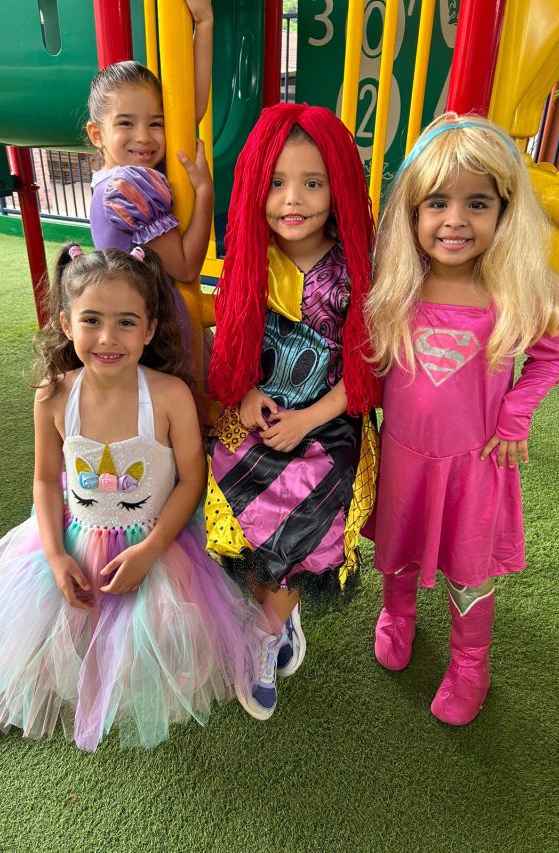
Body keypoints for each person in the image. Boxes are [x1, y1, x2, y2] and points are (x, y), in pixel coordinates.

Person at [0, 245, 266, 751]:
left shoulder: (170, 395)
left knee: (165, 629)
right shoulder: (53, 394)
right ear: (65, 323)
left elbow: (192, 481)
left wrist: (149, 551)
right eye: (91, 320)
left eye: (126, 322)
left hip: (157, 545)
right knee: (35, 627)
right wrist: (55, 556)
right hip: (73, 539)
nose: (107, 337)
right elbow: (45, 481)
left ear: (149, 329)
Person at [364, 113, 559, 726]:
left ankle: (470, 663)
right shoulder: (396, 287)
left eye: (477, 203)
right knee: (398, 545)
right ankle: (398, 614)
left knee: (470, 566)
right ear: (412, 213)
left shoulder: (513, 293)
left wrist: (515, 414)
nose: (455, 219)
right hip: (404, 457)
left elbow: (551, 356)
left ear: (505, 212)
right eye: (437, 202)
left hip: (475, 466)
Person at [206, 103, 380, 720]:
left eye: (312, 182)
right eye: (277, 182)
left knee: (305, 510)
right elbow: (236, 345)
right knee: (236, 494)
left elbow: (365, 369)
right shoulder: (252, 256)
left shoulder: (354, 268)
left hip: (328, 421)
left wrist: (309, 420)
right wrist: (246, 396)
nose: (292, 199)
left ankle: (264, 633)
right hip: (261, 411)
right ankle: (276, 617)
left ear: (339, 187)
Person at [86, 0, 214, 369]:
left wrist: (203, 24)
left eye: (156, 123)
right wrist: (205, 193)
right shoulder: (130, 188)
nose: (144, 136)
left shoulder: (109, 180)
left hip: (144, 327)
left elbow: (189, 112)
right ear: (97, 134)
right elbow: (186, 268)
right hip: (162, 340)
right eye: (126, 123)